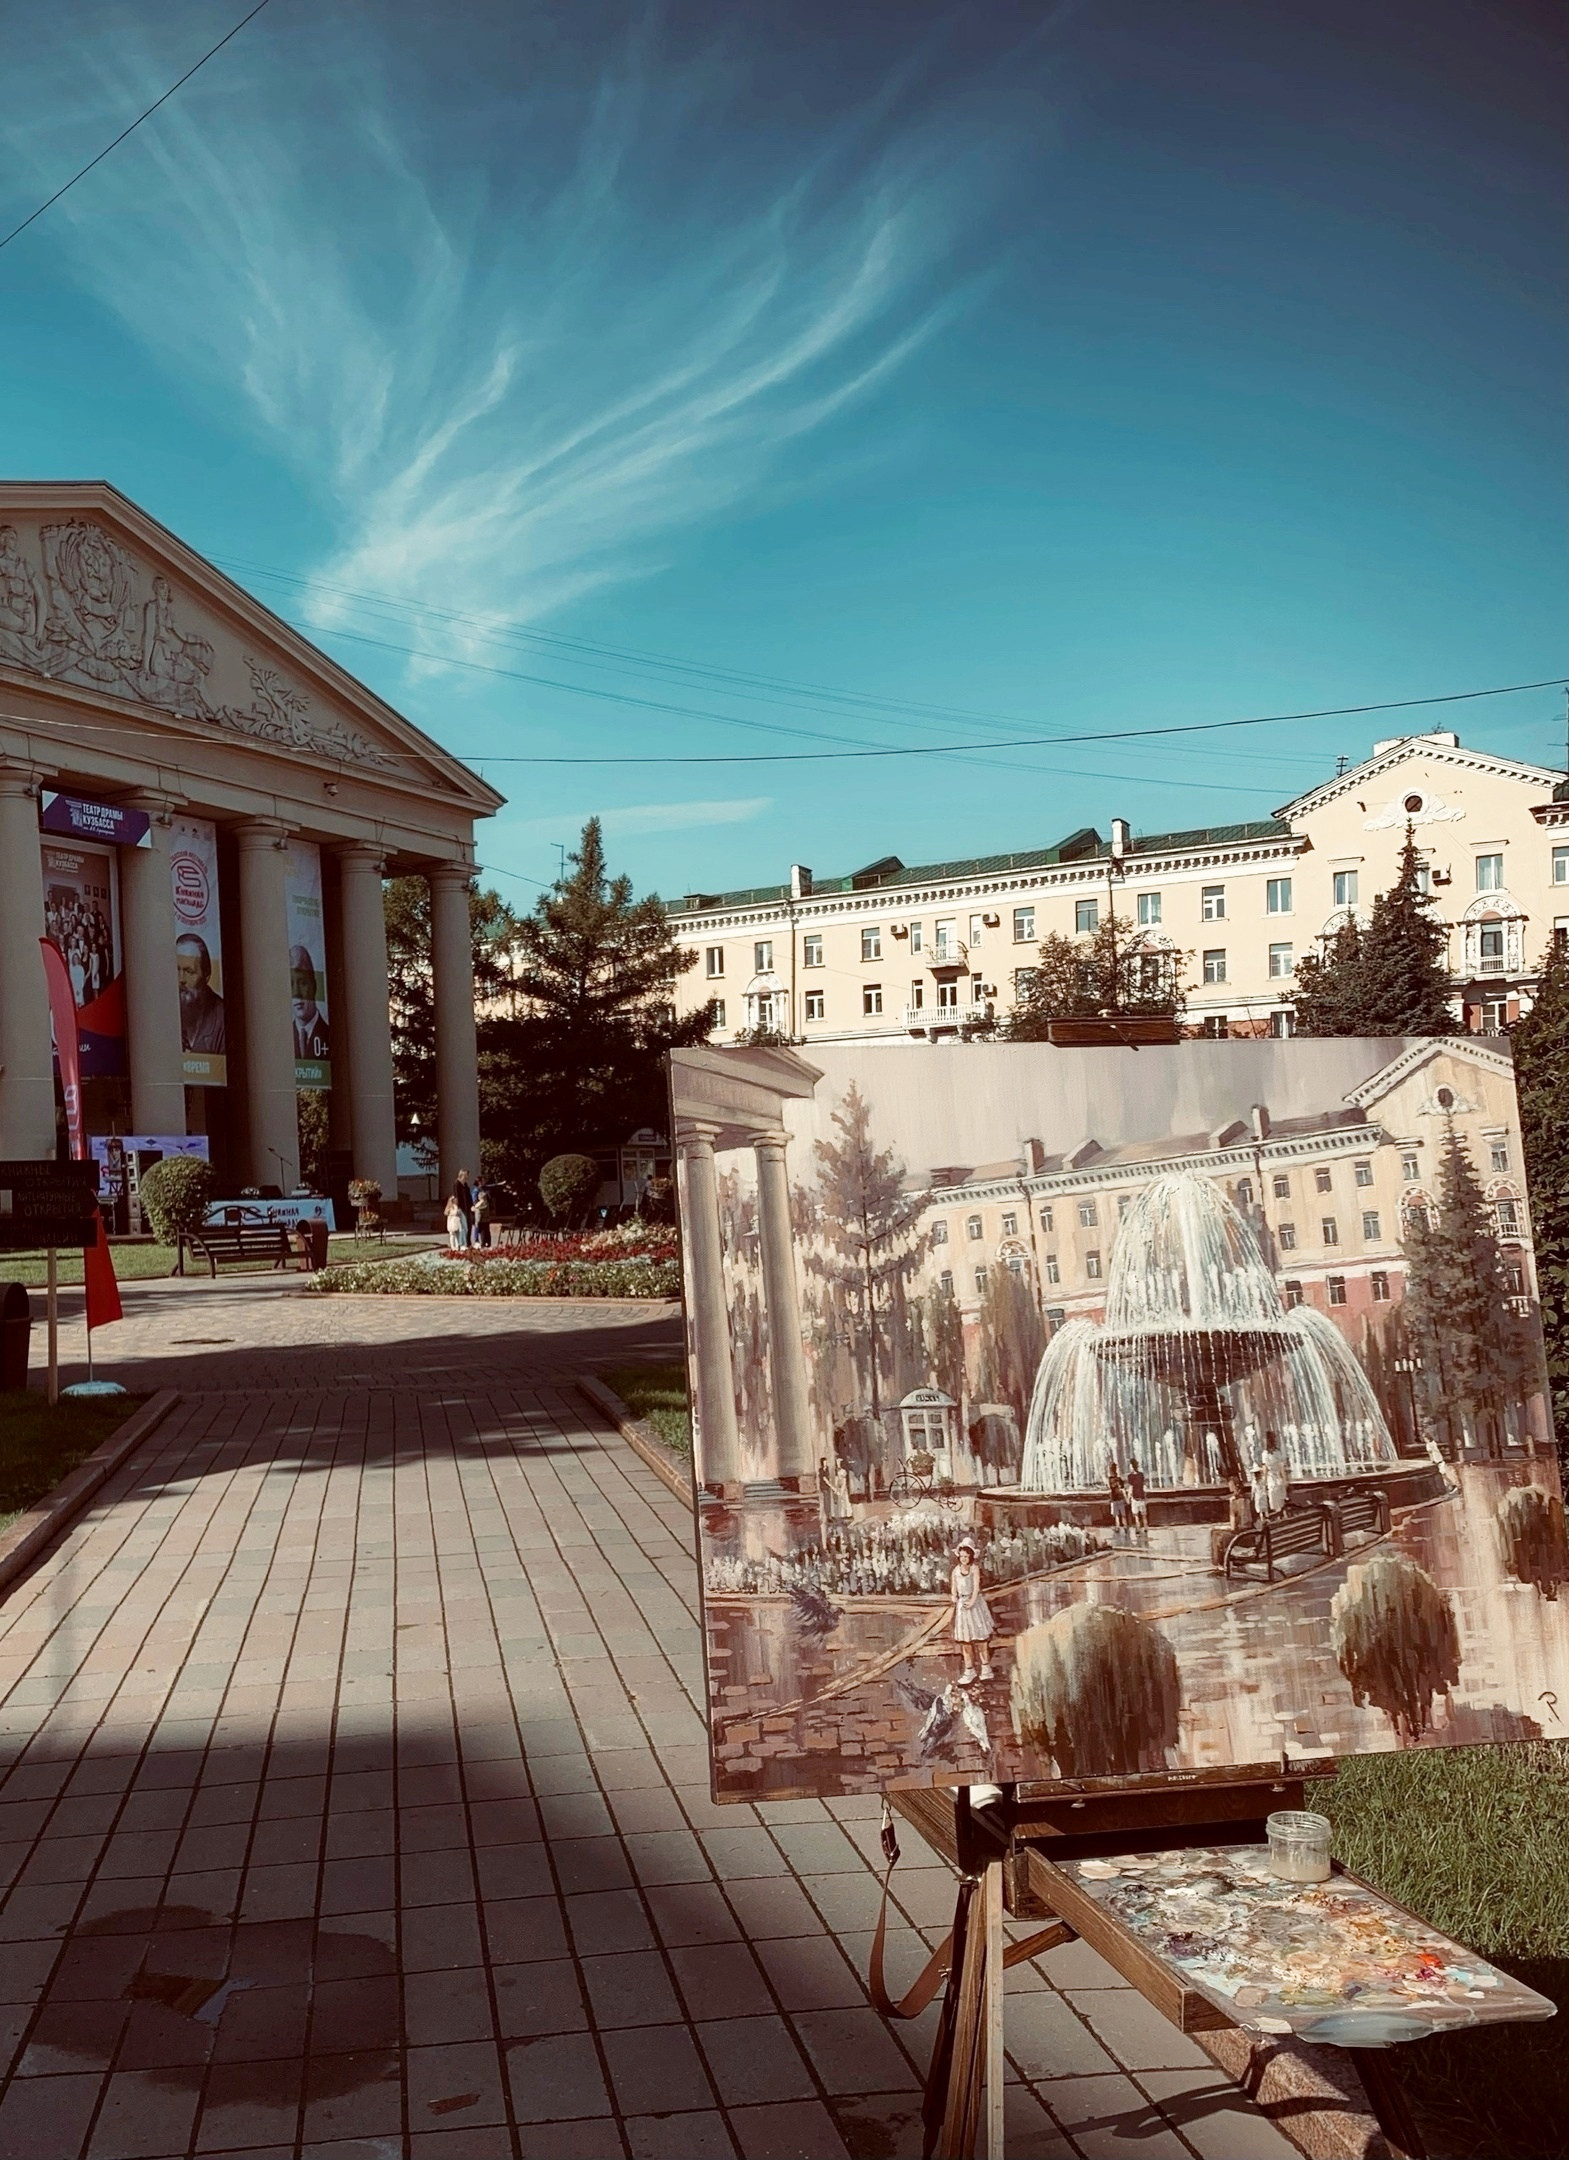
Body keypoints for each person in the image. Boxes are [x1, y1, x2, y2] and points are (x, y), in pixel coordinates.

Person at [950, 1538, 996, 1685]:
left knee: (980, 1638)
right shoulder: (955, 1571)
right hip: (962, 1606)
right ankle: (969, 1670)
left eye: (966, 1556)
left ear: (971, 1556)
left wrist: (972, 1601)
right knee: (965, 1640)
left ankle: (986, 1668)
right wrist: (954, 1597)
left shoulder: (974, 1569)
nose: (964, 1559)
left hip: (975, 1605)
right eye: (961, 1556)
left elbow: (976, 1588)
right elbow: (953, 1588)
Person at [176, 933, 226, 1053]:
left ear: (206, 975)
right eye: (177, 969)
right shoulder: (163, 1013)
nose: (181, 979)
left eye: (189, 971)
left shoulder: (223, 1020)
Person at [290, 947, 330, 1064]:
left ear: (314, 986)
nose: (296, 993)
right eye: (291, 984)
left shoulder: (328, 1034)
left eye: (303, 983)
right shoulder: (283, 1039)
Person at [451, 1169, 474, 1248]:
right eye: (466, 1175)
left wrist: (472, 1205)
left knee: (469, 1226)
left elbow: (469, 1196)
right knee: (464, 1227)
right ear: (462, 1175)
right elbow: (456, 1196)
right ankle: (462, 1244)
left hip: (468, 1208)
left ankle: (468, 1242)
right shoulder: (457, 1184)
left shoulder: (465, 1185)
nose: (467, 1177)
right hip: (461, 1208)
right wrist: (457, 1207)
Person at [1107, 1457, 1129, 1538]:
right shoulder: (1119, 1479)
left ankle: (1118, 1526)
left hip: (1114, 1499)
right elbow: (1123, 1489)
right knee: (1123, 1514)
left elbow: (1109, 1488)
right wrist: (1126, 1498)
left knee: (1116, 1514)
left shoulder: (1110, 1479)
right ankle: (1125, 1526)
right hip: (1120, 1498)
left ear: (1111, 1470)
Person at [1127, 1459, 1149, 1538]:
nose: (1129, 1467)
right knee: (1144, 1515)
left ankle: (1138, 1529)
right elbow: (1144, 1486)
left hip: (1135, 1498)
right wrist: (1145, 1496)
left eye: (1130, 1466)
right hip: (1142, 1497)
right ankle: (1146, 1528)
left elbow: (1131, 1488)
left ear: (1132, 1466)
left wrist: (1128, 1497)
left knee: (1136, 1515)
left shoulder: (1130, 1476)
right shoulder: (1141, 1475)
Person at [472, 1181, 492, 1249]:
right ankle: (488, 1244)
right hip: (486, 1220)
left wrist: (477, 1221)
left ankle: (483, 1244)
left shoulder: (480, 1204)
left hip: (481, 1220)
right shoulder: (486, 1202)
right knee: (487, 1232)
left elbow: (478, 1212)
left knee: (483, 1233)